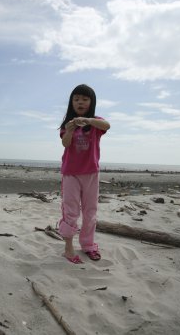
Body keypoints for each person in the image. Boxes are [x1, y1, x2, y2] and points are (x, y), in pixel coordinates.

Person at [58, 84, 110, 264]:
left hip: (91, 173)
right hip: (71, 173)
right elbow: (65, 144)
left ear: (91, 102)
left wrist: (88, 120)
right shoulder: (68, 124)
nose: (80, 102)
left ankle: (88, 245)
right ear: (71, 102)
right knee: (70, 211)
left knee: (90, 211)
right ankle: (68, 247)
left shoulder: (95, 122)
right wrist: (71, 129)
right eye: (76, 99)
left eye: (85, 99)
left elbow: (107, 125)